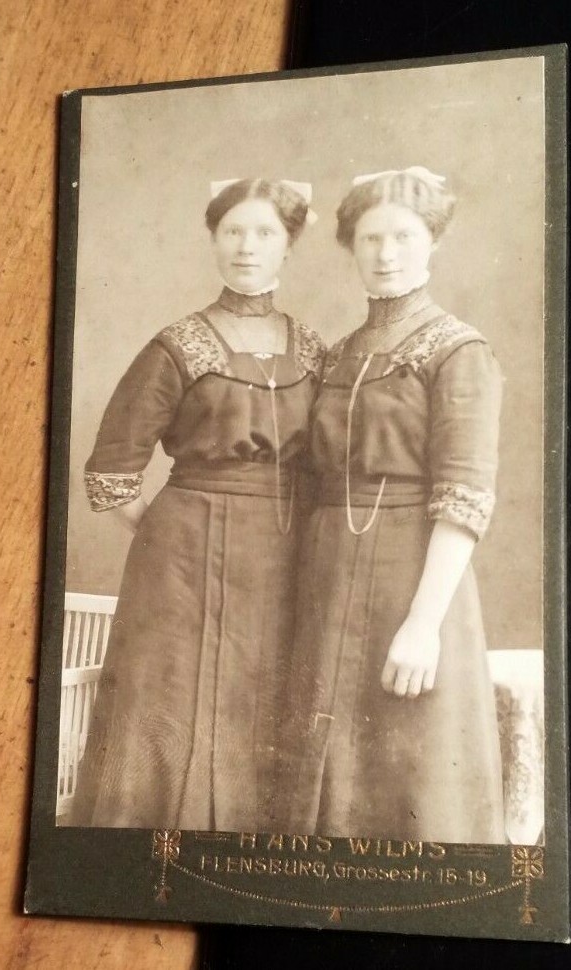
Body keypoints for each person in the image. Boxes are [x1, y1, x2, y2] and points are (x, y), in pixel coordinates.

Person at [69, 178, 325, 831]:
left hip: (284, 551)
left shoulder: (316, 349)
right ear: (212, 239)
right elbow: (113, 471)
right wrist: (169, 532)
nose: (247, 247)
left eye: (264, 232)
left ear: (289, 245)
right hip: (182, 554)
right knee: (171, 698)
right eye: (232, 231)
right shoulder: (177, 344)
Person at [285, 167, 505, 842]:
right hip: (326, 571)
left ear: (432, 242)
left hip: (413, 576)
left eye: (403, 237)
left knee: (411, 778)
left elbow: (464, 495)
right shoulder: (338, 353)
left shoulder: (459, 350)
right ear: (351, 245)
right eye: (371, 239)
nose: (386, 255)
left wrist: (423, 623)